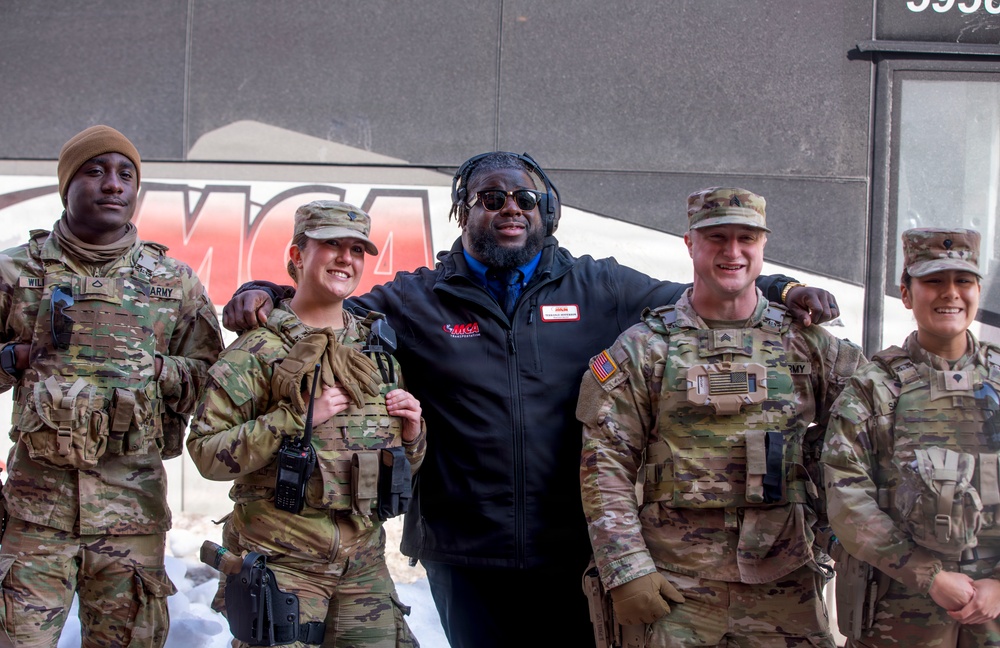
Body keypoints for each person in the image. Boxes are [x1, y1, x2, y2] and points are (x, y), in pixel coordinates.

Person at [222, 153, 841, 648]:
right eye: (492, 198)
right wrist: (265, 288)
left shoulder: (597, 285)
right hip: (464, 550)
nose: (511, 209)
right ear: (466, 211)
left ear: (548, 210)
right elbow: (331, 310)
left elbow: (702, 289)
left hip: (572, 547)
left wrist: (783, 285)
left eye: (526, 198)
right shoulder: (417, 300)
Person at [577, 187, 864, 647]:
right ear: (690, 243)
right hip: (676, 587)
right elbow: (604, 465)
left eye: (746, 237)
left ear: (763, 245)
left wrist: (823, 490)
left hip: (785, 581)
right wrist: (626, 568)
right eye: (717, 238)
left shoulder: (810, 345)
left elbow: (873, 428)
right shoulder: (646, 347)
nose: (733, 252)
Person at [0, 125, 224, 646]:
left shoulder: (173, 282)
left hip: (132, 516)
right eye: (95, 170)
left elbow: (214, 384)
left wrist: (154, 369)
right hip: (36, 515)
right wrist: (17, 358)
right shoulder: (15, 272)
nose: (113, 184)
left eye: (126, 174)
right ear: (67, 185)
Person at [187, 200, 427, 647]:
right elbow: (205, 452)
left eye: (356, 250)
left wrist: (413, 434)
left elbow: (398, 461)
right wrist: (294, 419)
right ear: (297, 256)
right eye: (331, 245)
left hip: (363, 566)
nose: (345, 259)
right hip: (284, 566)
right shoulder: (257, 351)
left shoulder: (377, 348)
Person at [822, 228, 1000, 646]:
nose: (950, 294)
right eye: (933, 281)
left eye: (963, 281)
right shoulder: (874, 386)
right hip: (898, 614)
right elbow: (846, 498)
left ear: (978, 290)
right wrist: (929, 576)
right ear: (906, 294)